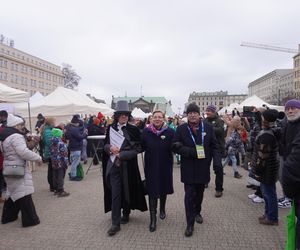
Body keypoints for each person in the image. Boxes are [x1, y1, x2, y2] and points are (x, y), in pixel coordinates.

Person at [172, 103, 222, 237]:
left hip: (203, 167)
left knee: (199, 194)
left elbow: (215, 146)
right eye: (190, 113)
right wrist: (189, 151)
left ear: (199, 114)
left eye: (195, 113)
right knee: (189, 196)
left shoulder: (208, 128)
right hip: (188, 168)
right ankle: (189, 224)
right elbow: (175, 146)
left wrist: (217, 163)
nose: (192, 115)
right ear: (187, 115)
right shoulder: (181, 129)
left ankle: (197, 212)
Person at [102, 100, 147, 236]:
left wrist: (123, 154)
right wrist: (110, 148)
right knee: (116, 192)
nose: (124, 117)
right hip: (113, 166)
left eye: (126, 115)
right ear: (117, 116)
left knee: (127, 190)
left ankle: (126, 213)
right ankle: (115, 223)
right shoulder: (110, 128)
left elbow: (140, 147)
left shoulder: (133, 129)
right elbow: (105, 145)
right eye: (121, 114)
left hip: (128, 166)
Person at [0, 114, 42, 227]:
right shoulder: (16, 136)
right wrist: (38, 158)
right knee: (24, 193)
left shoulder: (4, 136)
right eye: (21, 125)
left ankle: (8, 217)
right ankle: (30, 220)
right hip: (17, 167)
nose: (22, 127)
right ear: (16, 125)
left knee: (13, 192)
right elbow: (23, 152)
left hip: (9, 167)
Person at [141, 110, 174, 232]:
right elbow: (141, 145)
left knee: (163, 187)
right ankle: (153, 219)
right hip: (151, 166)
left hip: (165, 165)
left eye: (160, 117)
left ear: (163, 119)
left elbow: (175, 145)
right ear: (151, 119)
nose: (157, 119)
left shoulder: (170, 132)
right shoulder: (146, 131)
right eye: (155, 117)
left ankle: (162, 208)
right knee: (152, 190)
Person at [251, 109, 280, 226]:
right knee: (267, 192)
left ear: (266, 120)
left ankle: (272, 217)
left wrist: (257, 170)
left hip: (267, 169)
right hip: (270, 168)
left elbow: (263, 155)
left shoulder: (267, 134)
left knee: (269, 194)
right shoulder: (271, 130)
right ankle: (268, 214)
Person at [281, 99, 300, 248]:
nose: (290, 111)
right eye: (288, 109)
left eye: (294, 108)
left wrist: (289, 189)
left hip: (295, 179)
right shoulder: (287, 124)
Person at [205, 104, 224, 198]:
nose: (207, 112)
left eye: (209, 111)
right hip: (206, 147)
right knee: (204, 166)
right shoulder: (204, 120)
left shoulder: (219, 120)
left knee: (218, 167)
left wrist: (208, 128)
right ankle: (205, 181)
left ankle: (219, 189)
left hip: (217, 147)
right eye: (207, 111)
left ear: (213, 112)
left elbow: (220, 131)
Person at [65, 115, 86, 181]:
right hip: (76, 147)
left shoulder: (69, 128)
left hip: (72, 147)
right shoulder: (74, 129)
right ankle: (73, 176)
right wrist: (85, 134)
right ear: (76, 123)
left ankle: (72, 174)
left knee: (74, 162)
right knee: (75, 163)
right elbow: (80, 137)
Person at [50, 128, 70, 197]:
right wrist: (66, 163)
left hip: (54, 161)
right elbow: (64, 154)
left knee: (55, 175)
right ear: (60, 135)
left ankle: (56, 189)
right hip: (61, 162)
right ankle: (61, 190)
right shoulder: (61, 143)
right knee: (60, 176)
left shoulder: (52, 142)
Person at [41, 117, 56, 191]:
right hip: (51, 153)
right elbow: (50, 143)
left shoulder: (48, 130)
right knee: (52, 171)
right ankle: (52, 186)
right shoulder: (48, 132)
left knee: (51, 170)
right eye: (54, 122)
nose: (55, 123)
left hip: (50, 152)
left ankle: (52, 186)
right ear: (51, 123)